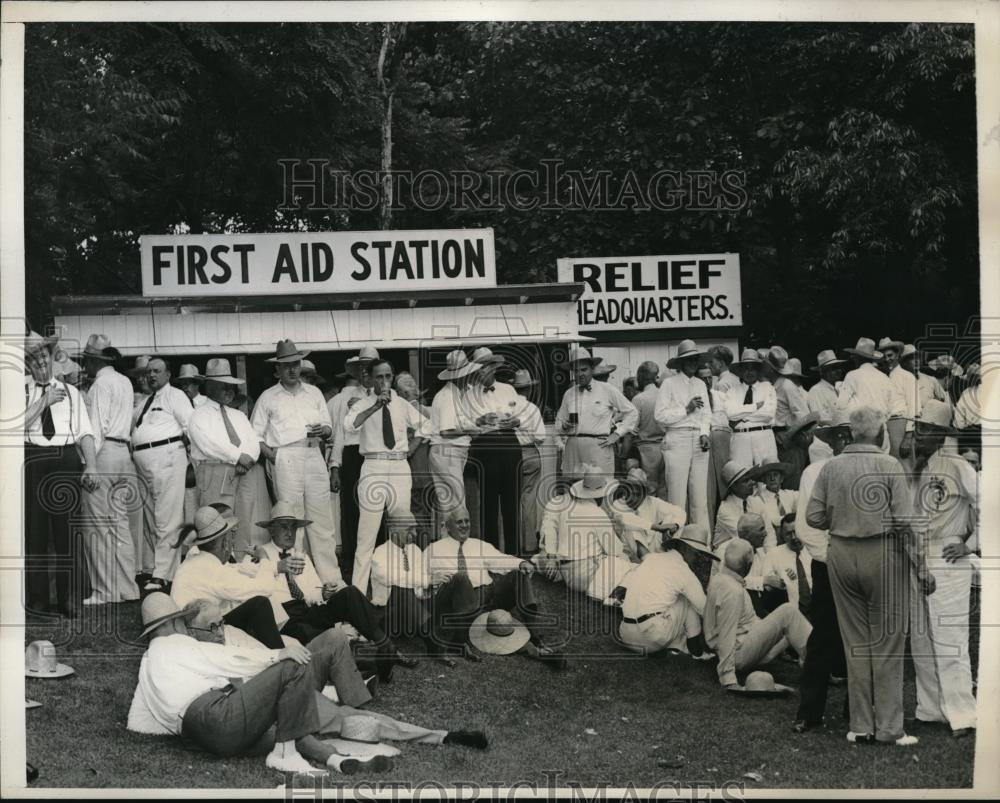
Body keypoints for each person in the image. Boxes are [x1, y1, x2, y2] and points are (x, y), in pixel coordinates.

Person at [128, 592, 393, 775]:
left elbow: (137, 722)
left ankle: (335, 759)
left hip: (199, 737)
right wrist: (276, 655)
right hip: (216, 716)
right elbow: (225, 657)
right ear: (174, 621)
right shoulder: (176, 642)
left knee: (282, 731)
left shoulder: (149, 659)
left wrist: (177, 732)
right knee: (292, 667)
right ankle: (284, 757)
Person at [806, 405, 935, 746]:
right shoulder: (888, 464)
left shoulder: (831, 467)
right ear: (879, 433)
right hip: (882, 552)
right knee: (889, 643)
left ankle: (861, 726)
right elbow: (906, 523)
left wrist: (842, 517)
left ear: (850, 433)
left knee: (856, 644)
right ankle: (890, 728)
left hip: (841, 554)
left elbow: (813, 517)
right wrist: (921, 568)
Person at [254, 501, 414, 679]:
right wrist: (274, 566)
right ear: (271, 529)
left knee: (350, 593)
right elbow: (259, 592)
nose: (290, 532)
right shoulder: (259, 555)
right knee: (317, 635)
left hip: (307, 609)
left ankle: (386, 645)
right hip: (285, 618)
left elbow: (312, 592)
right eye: (284, 527)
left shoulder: (300, 554)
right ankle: (364, 666)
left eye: (293, 527)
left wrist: (323, 592)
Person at [907, 400, 978, 738]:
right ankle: (930, 709)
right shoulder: (916, 467)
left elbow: (989, 505)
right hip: (918, 556)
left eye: (926, 429)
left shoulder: (958, 464)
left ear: (940, 434)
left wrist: (971, 543)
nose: (919, 433)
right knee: (921, 638)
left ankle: (963, 714)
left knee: (950, 637)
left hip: (949, 555)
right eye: (919, 427)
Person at [425, 507, 565, 668]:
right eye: (459, 522)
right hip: (460, 604)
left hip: (489, 598)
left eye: (467, 521)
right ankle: (460, 639)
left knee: (519, 574)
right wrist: (430, 581)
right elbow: (419, 578)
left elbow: (500, 559)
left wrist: (521, 563)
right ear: (447, 526)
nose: (464, 525)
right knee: (461, 577)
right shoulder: (433, 550)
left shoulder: (478, 544)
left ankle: (532, 633)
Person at [23, 331, 100, 616]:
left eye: (43, 356)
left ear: (52, 357)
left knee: (67, 530)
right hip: (33, 458)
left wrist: (91, 465)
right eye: (32, 359)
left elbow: (85, 433)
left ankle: (70, 598)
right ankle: (38, 598)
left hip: (66, 459)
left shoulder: (72, 392)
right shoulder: (20, 389)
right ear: (27, 364)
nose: (39, 363)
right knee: (35, 532)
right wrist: (43, 402)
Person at [252, 339, 338, 584]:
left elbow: (329, 426)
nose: (292, 369)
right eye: (286, 365)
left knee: (322, 521)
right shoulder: (268, 397)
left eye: (295, 364)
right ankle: (298, 580)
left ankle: (330, 580)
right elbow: (255, 436)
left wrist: (325, 431)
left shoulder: (314, 393)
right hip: (286, 456)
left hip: (313, 453)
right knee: (291, 519)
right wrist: (276, 457)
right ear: (277, 370)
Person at [345, 359, 431, 594]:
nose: (384, 382)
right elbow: (349, 426)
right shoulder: (362, 403)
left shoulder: (402, 404)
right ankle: (358, 598)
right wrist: (374, 407)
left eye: (388, 376)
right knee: (366, 537)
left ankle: (409, 591)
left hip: (400, 467)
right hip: (373, 466)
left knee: (403, 531)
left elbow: (427, 426)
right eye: (379, 377)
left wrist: (411, 448)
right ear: (370, 378)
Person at [791, 406, 850, 733]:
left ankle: (856, 711)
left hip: (857, 564)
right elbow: (805, 527)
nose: (846, 441)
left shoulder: (867, 468)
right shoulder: (813, 473)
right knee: (822, 636)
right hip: (827, 564)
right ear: (833, 440)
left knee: (858, 637)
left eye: (851, 435)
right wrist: (831, 556)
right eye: (840, 436)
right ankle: (809, 712)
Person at [76, 334, 141, 606]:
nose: (84, 367)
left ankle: (104, 591)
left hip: (103, 456)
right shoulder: (125, 381)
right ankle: (129, 589)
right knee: (120, 525)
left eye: (86, 362)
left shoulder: (100, 385)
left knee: (98, 526)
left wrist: (89, 464)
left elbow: (95, 427)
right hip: (124, 455)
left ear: (92, 361)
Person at [170, 505, 292, 648]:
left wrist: (272, 567)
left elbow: (235, 570)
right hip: (201, 633)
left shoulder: (196, 561)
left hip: (193, 627)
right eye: (231, 539)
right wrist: (264, 558)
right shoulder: (213, 570)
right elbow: (265, 588)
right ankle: (280, 654)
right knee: (259, 603)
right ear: (225, 543)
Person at [703, 539, 812, 691]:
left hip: (744, 643)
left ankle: (813, 662)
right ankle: (819, 667)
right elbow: (726, 635)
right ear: (748, 565)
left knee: (792, 621)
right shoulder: (733, 591)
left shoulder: (720, 579)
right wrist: (728, 679)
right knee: (789, 611)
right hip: (739, 654)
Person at [187, 359, 270, 556]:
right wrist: (237, 457)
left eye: (231, 385)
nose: (229, 390)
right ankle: (215, 566)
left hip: (244, 472)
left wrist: (247, 459)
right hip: (215, 470)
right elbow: (208, 444)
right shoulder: (198, 415)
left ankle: (240, 563)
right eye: (224, 386)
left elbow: (252, 440)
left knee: (243, 520)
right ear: (210, 386)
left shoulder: (238, 415)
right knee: (216, 521)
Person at [131, 356, 193, 593]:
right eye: (149, 372)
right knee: (152, 519)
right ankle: (160, 569)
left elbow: (190, 426)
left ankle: (162, 575)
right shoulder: (146, 402)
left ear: (168, 374)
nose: (151, 375)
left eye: (157, 371)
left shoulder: (175, 396)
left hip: (167, 457)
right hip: (144, 462)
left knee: (167, 518)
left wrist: (188, 461)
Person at [618, 524, 717, 658]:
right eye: (696, 552)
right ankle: (697, 651)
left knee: (669, 600)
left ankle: (678, 645)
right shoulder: (683, 570)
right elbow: (704, 609)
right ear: (686, 549)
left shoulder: (652, 558)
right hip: (650, 638)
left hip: (625, 633)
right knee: (687, 601)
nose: (697, 557)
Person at [536, 465, 632, 602]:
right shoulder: (597, 512)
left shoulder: (567, 510)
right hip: (583, 573)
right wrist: (618, 531)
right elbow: (615, 550)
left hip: (566, 571)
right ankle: (605, 595)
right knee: (624, 562)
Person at [460, 346, 524, 550]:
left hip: (509, 445)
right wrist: (479, 420)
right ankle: (491, 555)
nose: (481, 371)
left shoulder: (508, 389)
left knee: (511, 502)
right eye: (477, 368)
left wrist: (515, 421)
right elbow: (463, 424)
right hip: (484, 448)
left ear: (493, 367)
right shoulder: (467, 396)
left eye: (485, 367)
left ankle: (514, 555)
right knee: (487, 505)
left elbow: (523, 416)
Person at [370, 512, 453, 663]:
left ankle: (457, 635)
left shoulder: (415, 550)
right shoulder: (379, 553)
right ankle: (433, 643)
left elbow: (419, 589)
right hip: (390, 617)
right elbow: (394, 578)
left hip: (413, 614)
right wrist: (427, 581)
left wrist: (430, 589)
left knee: (452, 582)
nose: (414, 534)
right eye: (409, 529)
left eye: (415, 529)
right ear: (393, 529)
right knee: (401, 586)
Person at [328, 346, 378, 581]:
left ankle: (377, 565)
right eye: (361, 368)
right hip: (352, 455)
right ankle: (352, 566)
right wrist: (335, 467)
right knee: (352, 513)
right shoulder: (345, 397)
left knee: (378, 510)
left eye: (369, 368)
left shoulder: (388, 395)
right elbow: (340, 433)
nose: (365, 372)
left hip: (377, 457)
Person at [556, 346, 637, 480]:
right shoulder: (569, 394)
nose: (580, 374)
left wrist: (617, 434)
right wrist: (564, 426)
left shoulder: (607, 389)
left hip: (598, 447)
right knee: (573, 489)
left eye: (584, 370)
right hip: (573, 448)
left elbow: (632, 412)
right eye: (576, 371)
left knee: (600, 487)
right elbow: (559, 422)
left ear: (592, 369)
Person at [655, 340, 712, 526]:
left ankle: (701, 541)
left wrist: (704, 433)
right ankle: (676, 541)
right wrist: (686, 409)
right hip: (677, 438)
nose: (693, 363)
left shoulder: (700, 384)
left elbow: (706, 414)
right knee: (677, 496)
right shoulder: (668, 384)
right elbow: (660, 416)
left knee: (700, 497)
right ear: (680, 363)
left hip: (698, 440)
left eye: (695, 359)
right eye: (688, 360)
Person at [427, 350, 479, 539]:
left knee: (448, 506)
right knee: (456, 506)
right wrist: (472, 431)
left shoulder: (456, 394)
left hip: (447, 453)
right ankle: (457, 551)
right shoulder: (449, 395)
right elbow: (446, 431)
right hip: (447, 451)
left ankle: (448, 550)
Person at [837, 338, 903, 453]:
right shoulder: (885, 378)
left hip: (862, 433)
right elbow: (896, 408)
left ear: (858, 357)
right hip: (882, 432)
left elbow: (840, 405)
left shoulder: (852, 376)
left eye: (854, 356)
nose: (853, 358)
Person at [395, 371, 436, 545]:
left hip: (414, 471)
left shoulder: (409, 412)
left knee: (416, 513)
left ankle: (419, 552)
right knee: (422, 513)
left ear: (402, 394)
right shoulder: (425, 411)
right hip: (425, 470)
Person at [607, 467, 687, 555]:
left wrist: (673, 526)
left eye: (637, 492)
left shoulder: (651, 501)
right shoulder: (618, 504)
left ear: (644, 493)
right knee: (632, 529)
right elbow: (630, 520)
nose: (633, 496)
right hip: (631, 552)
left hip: (653, 545)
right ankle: (648, 559)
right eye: (630, 490)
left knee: (673, 519)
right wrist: (657, 527)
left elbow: (680, 511)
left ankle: (664, 556)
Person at [510, 369, 548, 554]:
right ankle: (529, 544)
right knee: (529, 500)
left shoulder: (505, 407)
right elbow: (541, 436)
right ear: (528, 389)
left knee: (509, 500)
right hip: (530, 453)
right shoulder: (532, 408)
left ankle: (509, 543)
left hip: (510, 454)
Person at [724, 348, 778, 468]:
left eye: (753, 368)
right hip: (740, 439)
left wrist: (742, 417)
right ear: (741, 371)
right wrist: (755, 407)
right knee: (742, 476)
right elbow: (730, 414)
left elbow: (768, 413)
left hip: (763, 437)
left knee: (765, 476)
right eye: (746, 368)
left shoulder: (767, 387)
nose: (749, 372)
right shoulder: (732, 391)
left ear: (758, 371)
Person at [697, 361, 730, 529]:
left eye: (709, 378)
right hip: (703, 445)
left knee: (725, 488)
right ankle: (708, 529)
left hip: (722, 442)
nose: (707, 382)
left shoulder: (720, 396)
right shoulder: (694, 398)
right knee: (706, 491)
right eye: (703, 378)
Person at [713, 462, 775, 549]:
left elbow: (769, 531)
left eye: (751, 478)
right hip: (728, 555)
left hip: (751, 551)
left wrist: (769, 555)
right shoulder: (725, 509)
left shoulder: (756, 501)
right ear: (734, 486)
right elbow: (746, 535)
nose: (752, 482)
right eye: (746, 481)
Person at [630, 361, 667, 500]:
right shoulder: (665, 395)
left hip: (646, 449)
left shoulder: (638, 399)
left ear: (641, 377)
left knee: (649, 490)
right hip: (666, 446)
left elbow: (631, 430)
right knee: (664, 490)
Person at [876, 337, 917, 459]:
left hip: (900, 425)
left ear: (898, 355)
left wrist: (908, 437)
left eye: (890, 355)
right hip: (885, 426)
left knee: (904, 467)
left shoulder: (907, 377)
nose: (887, 359)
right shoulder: (883, 378)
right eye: (884, 357)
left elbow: (914, 407)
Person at [806, 349, 847, 463]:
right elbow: (820, 419)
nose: (838, 371)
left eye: (838, 367)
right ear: (822, 372)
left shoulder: (840, 389)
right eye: (832, 369)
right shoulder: (816, 391)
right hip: (824, 442)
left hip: (839, 439)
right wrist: (843, 421)